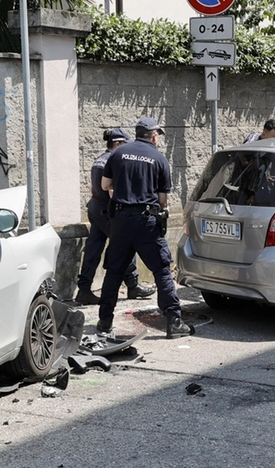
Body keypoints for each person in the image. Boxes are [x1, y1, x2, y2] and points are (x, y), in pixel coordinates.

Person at [99, 117, 192, 339]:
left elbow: (104, 185)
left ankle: (104, 324)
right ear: (153, 136)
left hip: (121, 220)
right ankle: (174, 322)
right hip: (146, 222)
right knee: (161, 270)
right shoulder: (159, 159)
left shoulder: (118, 154)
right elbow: (162, 200)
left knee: (114, 272)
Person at [76, 128, 154, 305]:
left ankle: (84, 288)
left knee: (93, 248)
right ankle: (133, 285)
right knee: (126, 243)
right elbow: (112, 190)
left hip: (95, 208)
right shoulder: (114, 160)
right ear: (118, 144)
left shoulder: (99, 160)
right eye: (125, 145)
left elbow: (92, 188)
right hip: (108, 211)